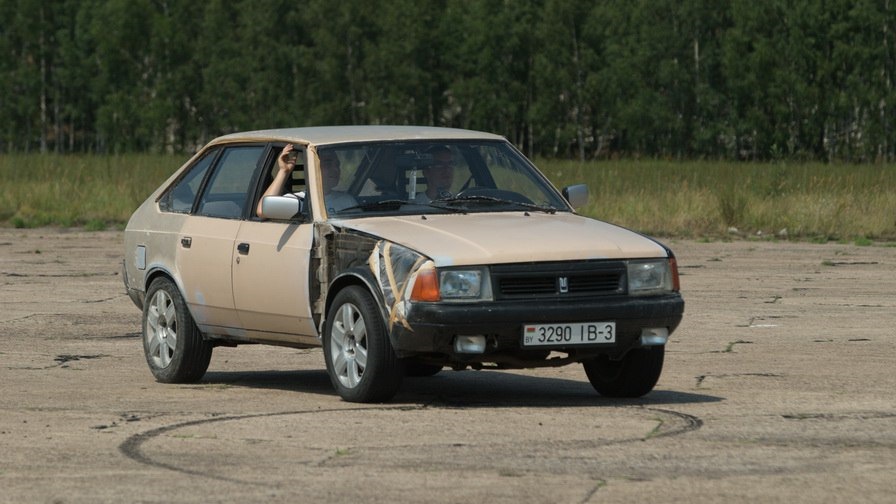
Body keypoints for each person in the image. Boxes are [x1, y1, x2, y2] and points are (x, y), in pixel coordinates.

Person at [256, 145, 356, 218]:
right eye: (328, 164)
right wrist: (284, 171)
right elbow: (262, 211)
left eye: (337, 165)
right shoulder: (296, 200)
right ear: (313, 168)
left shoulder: (347, 200)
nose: (336, 169)